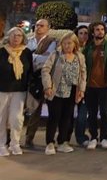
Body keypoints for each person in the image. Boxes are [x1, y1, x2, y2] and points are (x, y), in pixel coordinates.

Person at [41, 32, 86, 155]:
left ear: (75, 44)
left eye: (69, 43)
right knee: (54, 117)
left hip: (72, 91)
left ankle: (62, 141)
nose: (67, 46)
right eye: (65, 43)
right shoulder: (55, 55)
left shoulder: (79, 57)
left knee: (67, 118)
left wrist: (82, 90)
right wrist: (47, 86)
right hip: (56, 90)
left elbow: (83, 74)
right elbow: (45, 70)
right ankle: (50, 143)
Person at [83, 21, 107, 150]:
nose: (100, 31)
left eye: (102, 29)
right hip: (90, 87)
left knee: (105, 113)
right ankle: (93, 137)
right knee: (92, 113)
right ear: (93, 32)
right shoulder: (88, 48)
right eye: (97, 29)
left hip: (106, 87)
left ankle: (104, 137)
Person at [24, 18, 57, 148]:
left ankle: (29, 138)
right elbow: (24, 58)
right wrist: (38, 56)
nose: (38, 27)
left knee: (36, 110)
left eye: (42, 25)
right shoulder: (28, 40)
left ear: (48, 28)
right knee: (22, 108)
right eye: (37, 25)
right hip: (28, 78)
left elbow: (48, 60)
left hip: (42, 79)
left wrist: (32, 56)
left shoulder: (51, 42)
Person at [0, 27, 33, 156]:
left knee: (16, 119)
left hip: (20, 90)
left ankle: (15, 144)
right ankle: (1, 144)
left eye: (19, 35)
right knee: (1, 118)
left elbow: (30, 71)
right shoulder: (2, 51)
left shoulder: (27, 52)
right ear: (9, 37)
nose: (16, 38)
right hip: (2, 89)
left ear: (23, 38)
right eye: (14, 35)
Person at [70, 25, 91, 146]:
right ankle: (65, 137)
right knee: (68, 113)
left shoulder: (90, 49)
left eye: (86, 33)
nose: (83, 35)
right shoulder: (71, 49)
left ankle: (80, 136)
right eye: (81, 33)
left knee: (83, 113)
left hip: (86, 85)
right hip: (72, 84)